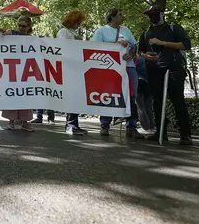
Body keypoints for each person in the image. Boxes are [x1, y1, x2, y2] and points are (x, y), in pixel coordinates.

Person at [138, 5, 192, 145]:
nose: (152, 16)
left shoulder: (174, 28)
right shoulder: (145, 33)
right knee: (157, 102)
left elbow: (186, 44)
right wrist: (146, 56)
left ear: (162, 14)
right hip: (154, 70)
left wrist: (163, 43)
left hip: (174, 69)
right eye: (149, 14)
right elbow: (141, 51)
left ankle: (185, 134)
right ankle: (161, 132)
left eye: (155, 13)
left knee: (178, 101)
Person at [92, 8, 139, 137]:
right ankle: (105, 125)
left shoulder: (126, 30)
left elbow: (134, 45)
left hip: (128, 67)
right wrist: (115, 45)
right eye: (119, 15)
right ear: (112, 17)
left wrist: (130, 54)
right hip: (110, 68)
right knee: (108, 94)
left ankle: (131, 127)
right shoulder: (101, 31)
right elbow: (94, 48)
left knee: (131, 96)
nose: (122, 16)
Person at [0, 16, 36, 132]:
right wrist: (3, 33)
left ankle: (25, 122)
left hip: (26, 70)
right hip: (13, 69)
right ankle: (11, 122)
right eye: (19, 25)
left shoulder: (32, 39)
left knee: (26, 95)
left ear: (29, 26)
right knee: (13, 94)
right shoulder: (12, 33)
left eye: (23, 26)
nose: (20, 27)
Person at [55, 9, 87, 135]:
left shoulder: (72, 33)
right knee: (72, 97)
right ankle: (70, 125)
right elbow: (63, 49)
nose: (79, 24)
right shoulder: (63, 32)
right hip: (68, 68)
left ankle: (74, 124)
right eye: (78, 22)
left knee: (76, 97)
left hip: (75, 68)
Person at [135, 56, 156, 136]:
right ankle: (151, 126)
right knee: (149, 107)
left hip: (139, 84)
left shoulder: (138, 59)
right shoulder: (151, 59)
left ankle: (145, 127)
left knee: (141, 107)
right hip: (149, 85)